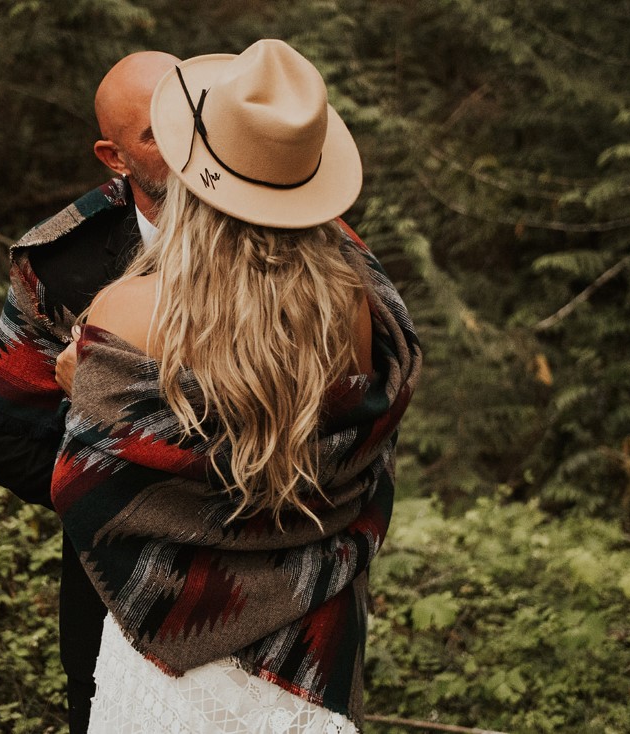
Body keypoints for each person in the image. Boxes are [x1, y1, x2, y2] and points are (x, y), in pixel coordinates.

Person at [52, 39, 422, 733]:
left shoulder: (127, 310)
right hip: (308, 651)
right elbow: (346, 469)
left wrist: (83, 388)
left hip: (167, 656)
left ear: (192, 171)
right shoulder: (356, 306)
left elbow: (88, 490)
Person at [0, 50, 179, 733]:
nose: (184, 142)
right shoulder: (60, 260)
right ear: (113, 156)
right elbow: (4, 434)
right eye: (155, 133)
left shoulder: (283, 227)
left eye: (194, 116)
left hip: (274, 577)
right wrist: (121, 482)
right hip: (117, 582)